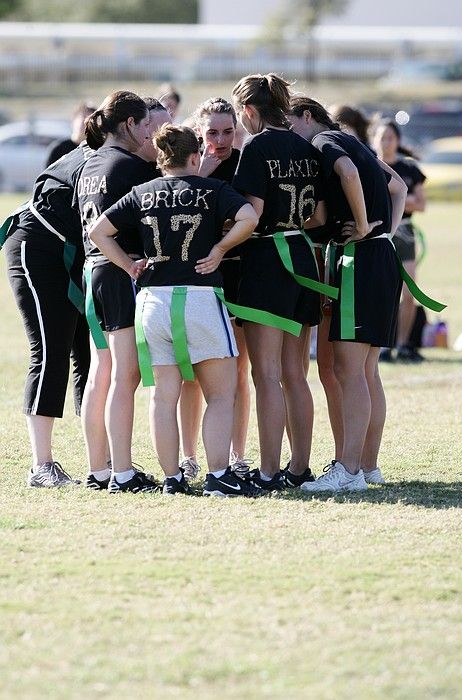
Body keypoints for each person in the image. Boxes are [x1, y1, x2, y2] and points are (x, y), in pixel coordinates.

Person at [88, 123, 263, 497]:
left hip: (153, 301)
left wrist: (126, 265)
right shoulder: (213, 188)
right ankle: (218, 476)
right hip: (199, 296)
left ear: (161, 159)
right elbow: (249, 216)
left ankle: (172, 478)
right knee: (220, 392)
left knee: (163, 396)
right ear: (195, 157)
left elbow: (97, 232)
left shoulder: (142, 192)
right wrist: (219, 250)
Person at [288, 96, 407, 493]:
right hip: (380, 257)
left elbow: (349, 175)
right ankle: (368, 466)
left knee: (349, 371)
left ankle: (350, 470)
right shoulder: (350, 138)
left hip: (359, 260)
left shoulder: (324, 142)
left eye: (290, 124)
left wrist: (362, 225)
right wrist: (383, 232)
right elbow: (399, 187)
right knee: (367, 371)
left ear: (307, 116)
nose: (291, 135)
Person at [231, 73, 327, 492]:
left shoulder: (256, 146)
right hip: (305, 259)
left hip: (268, 261)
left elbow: (251, 213)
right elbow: (319, 217)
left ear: (249, 111)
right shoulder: (306, 146)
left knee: (265, 375)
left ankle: (268, 472)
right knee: (295, 373)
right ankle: (299, 468)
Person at [75, 90, 159, 494]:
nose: (148, 135)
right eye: (145, 125)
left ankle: (99, 469)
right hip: (118, 269)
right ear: (129, 123)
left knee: (101, 374)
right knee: (125, 376)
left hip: (92, 273)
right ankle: (122, 473)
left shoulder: (89, 163)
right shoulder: (129, 167)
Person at [3, 139, 95, 487]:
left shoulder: (130, 160)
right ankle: (41, 466)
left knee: (91, 353)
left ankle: (100, 459)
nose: (157, 134)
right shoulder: (107, 157)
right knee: (50, 348)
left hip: (74, 255)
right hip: (36, 247)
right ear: (129, 125)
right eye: (152, 125)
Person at [178, 97, 252, 479]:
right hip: (197, 278)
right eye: (212, 132)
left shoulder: (245, 162)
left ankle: (238, 456)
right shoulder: (189, 165)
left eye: (228, 131)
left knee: (239, 369)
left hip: (239, 274)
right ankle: (188, 456)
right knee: (191, 372)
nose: (221, 140)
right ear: (198, 133)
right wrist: (201, 175)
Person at [373, 119, 427, 363]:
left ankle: (404, 343)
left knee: (408, 292)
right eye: (382, 137)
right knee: (382, 292)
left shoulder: (408, 169)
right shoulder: (370, 165)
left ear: (398, 141)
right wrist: (402, 196)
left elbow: (421, 204)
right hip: (380, 234)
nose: (386, 143)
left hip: (404, 233)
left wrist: (395, 197)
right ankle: (384, 345)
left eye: (390, 138)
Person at [45, 102, 96, 166]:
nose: (85, 123)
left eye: (89, 120)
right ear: (73, 120)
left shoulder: (96, 150)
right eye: (83, 118)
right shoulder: (58, 149)